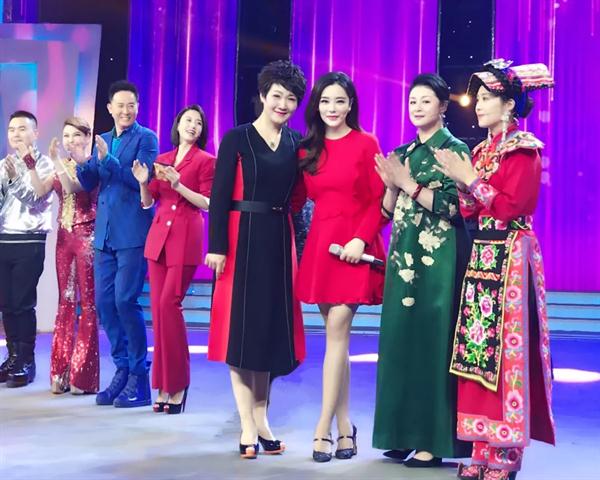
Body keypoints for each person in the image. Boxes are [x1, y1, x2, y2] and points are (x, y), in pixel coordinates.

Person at [434, 59, 556, 480]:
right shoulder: (481, 151)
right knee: (477, 351)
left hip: (512, 253)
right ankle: (481, 442)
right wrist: (460, 181)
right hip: (483, 254)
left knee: (506, 353)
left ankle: (506, 450)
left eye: (487, 98)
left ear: (508, 105)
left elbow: (512, 206)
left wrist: (470, 180)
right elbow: (472, 209)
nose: (479, 105)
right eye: (478, 98)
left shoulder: (524, 149)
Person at [205, 60, 307, 458]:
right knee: (240, 333)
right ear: (263, 95)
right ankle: (247, 424)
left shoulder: (296, 143)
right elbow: (218, 196)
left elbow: (299, 197)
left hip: (279, 240)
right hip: (239, 237)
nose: (283, 104)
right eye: (277, 95)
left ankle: (262, 419)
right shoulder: (237, 137)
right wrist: (216, 246)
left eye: (291, 98)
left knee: (267, 334)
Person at [372, 73, 472, 467]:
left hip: (440, 264)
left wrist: (408, 184)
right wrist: (391, 186)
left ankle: (432, 441)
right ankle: (400, 433)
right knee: (400, 343)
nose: (416, 107)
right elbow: (386, 212)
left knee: (433, 344)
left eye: (426, 100)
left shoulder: (456, 150)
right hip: (403, 262)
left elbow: (456, 208)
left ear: (444, 106)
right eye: (412, 100)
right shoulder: (404, 152)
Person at [295, 71, 386, 462]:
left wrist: (360, 239)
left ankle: (322, 428)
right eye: (325, 101)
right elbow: (296, 199)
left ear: (351, 105)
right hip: (321, 246)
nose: (332, 108)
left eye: (340, 101)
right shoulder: (306, 150)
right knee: (338, 343)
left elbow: (380, 199)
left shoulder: (367, 143)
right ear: (316, 106)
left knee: (336, 335)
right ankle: (346, 426)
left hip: (354, 247)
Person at [76, 80, 158, 408]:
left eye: (131, 105)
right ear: (109, 108)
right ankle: (122, 369)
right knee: (104, 303)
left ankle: (139, 376)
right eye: (120, 105)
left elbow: (140, 179)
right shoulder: (103, 139)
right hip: (105, 235)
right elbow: (89, 183)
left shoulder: (146, 138)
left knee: (126, 300)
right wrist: (82, 161)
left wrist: (106, 159)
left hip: (132, 233)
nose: (126, 111)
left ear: (137, 107)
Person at [132, 104, 215, 414]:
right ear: (178, 125)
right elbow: (148, 202)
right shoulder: (162, 159)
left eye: (198, 122)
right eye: (187, 120)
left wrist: (179, 184)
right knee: (158, 310)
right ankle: (164, 385)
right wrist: (143, 182)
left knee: (170, 304)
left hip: (185, 236)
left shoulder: (206, 161)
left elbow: (207, 203)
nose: (192, 125)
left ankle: (178, 383)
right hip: (158, 240)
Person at [27, 117, 99, 394]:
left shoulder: (92, 165)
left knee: (88, 304)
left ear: (87, 137)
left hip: (87, 235)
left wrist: (56, 159)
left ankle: (83, 375)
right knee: (65, 302)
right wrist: (31, 165)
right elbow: (40, 191)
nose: (70, 140)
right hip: (64, 238)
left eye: (76, 135)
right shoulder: (62, 163)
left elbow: (72, 187)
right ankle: (60, 372)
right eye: (66, 136)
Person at [0, 110, 53, 388]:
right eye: (12, 129)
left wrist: (13, 180)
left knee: (22, 302)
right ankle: (12, 356)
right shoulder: (4, 164)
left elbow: (36, 199)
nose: (16, 134)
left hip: (30, 240)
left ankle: (26, 360)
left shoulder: (45, 164)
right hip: (3, 240)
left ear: (36, 133)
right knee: (6, 303)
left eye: (22, 129)